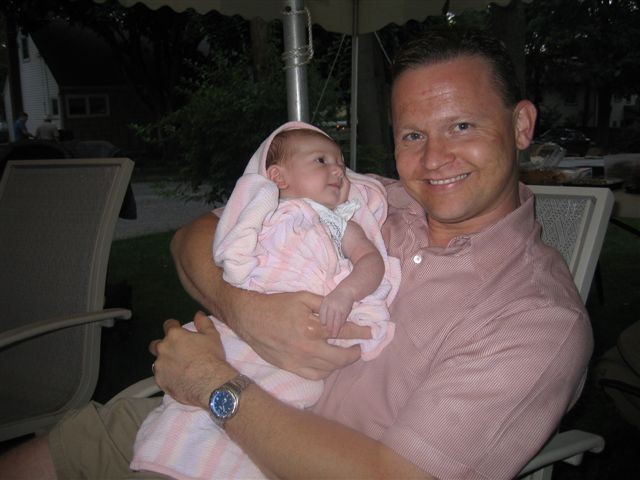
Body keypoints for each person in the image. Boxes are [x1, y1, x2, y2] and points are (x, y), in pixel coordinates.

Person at [0, 28, 594, 480]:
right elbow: (195, 235)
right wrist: (243, 309)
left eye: (462, 126)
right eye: (413, 134)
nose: (434, 159)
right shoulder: (374, 199)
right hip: (188, 420)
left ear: (521, 125)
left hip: (253, 440)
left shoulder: (536, 322)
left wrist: (213, 382)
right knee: (41, 456)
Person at [131, 122, 399, 479]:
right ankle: (177, 454)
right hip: (240, 328)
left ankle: (221, 462)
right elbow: (225, 247)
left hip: (299, 339)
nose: (338, 170)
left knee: (266, 398)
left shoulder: (338, 221)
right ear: (278, 177)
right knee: (189, 400)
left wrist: (346, 292)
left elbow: (371, 261)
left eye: (340, 162)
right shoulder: (261, 214)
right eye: (321, 161)